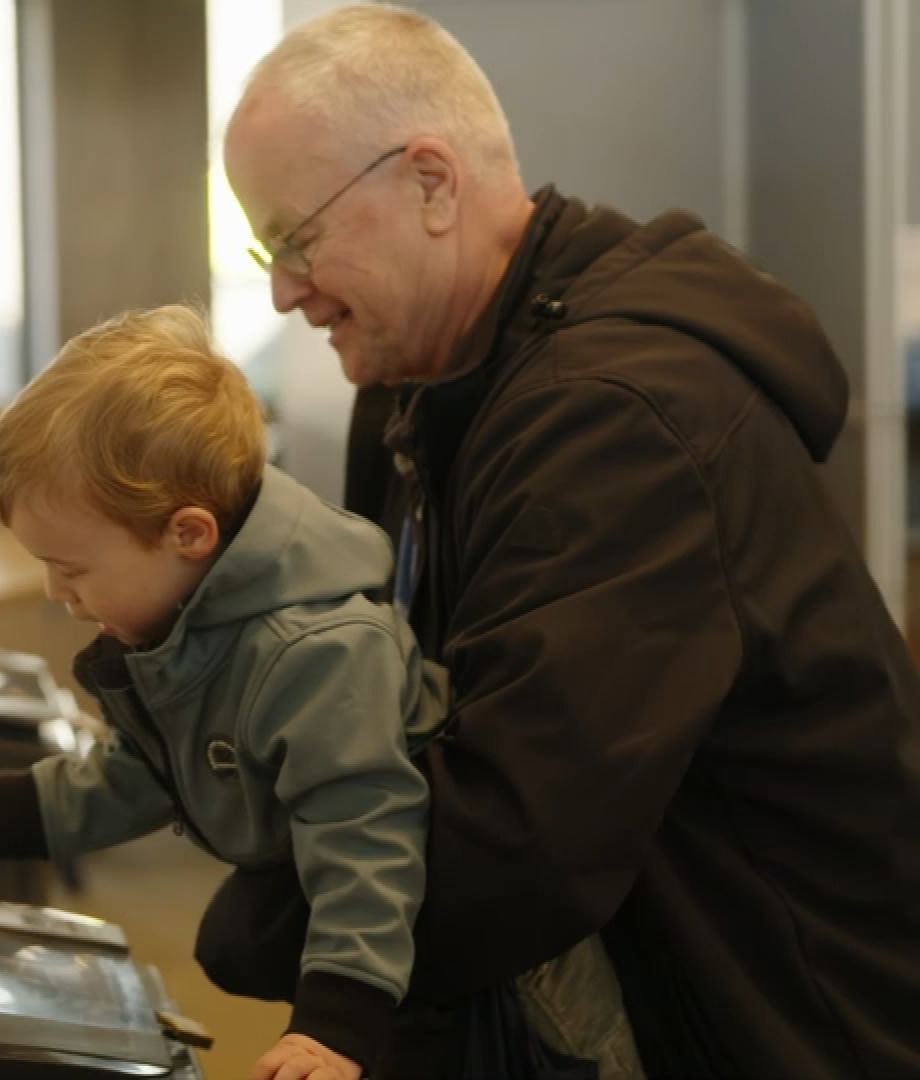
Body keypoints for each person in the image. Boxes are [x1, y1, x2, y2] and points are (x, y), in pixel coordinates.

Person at [199, 4, 920, 1078]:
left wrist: (251, 920)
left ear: (432, 184)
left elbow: (515, 837)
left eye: (298, 239)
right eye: (267, 249)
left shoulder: (616, 419)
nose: (283, 290)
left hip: (771, 1020)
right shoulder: (415, 390)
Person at [0, 302, 577, 1080]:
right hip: (340, 907)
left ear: (188, 535)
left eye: (75, 568)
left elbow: (365, 841)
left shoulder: (320, 656)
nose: (58, 593)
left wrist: (338, 1027)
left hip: (426, 947)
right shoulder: (188, 625)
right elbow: (144, 769)